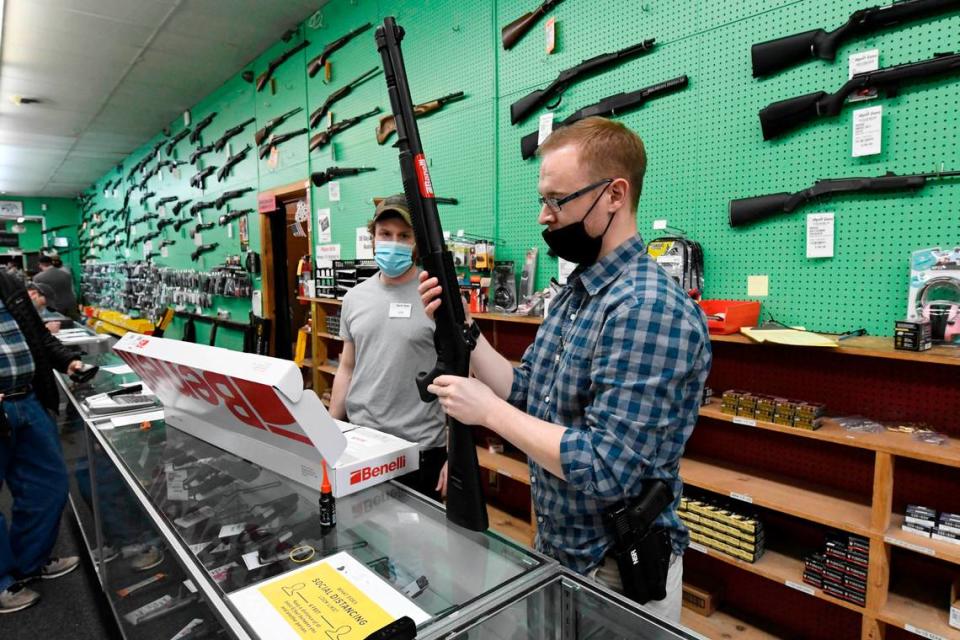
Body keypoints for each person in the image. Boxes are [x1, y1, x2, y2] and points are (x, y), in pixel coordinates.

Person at [418, 117, 711, 622]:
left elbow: (607, 467)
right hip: (560, 551)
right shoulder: (577, 294)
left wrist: (486, 412)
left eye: (557, 200)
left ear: (615, 195)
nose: (544, 217)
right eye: (543, 200)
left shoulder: (647, 307)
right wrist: (466, 331)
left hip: (616, 570)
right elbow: (530, 391)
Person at [329, 195, 447, 501]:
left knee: (419, 543)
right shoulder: (354, 298)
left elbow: (462, 377)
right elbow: (347, 367)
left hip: (420, 449)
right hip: (363, 443)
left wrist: (457, 453)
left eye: (404, 236)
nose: (393, 243)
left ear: (416, 242)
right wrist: (329, 431)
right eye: (385, 234)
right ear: (373, 238)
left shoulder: (436, 296)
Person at [0, 268, 85, 613]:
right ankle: (3, 582)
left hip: (27, 400)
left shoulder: (8, 283)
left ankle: (29, 562)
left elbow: (38, 336)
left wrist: (68, 361)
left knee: (48, 486)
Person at [33, 255, 78, 320]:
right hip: (71, 305)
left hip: (55, 309)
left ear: (41, 264)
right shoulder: (66, 274)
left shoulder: (38, 278)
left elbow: (38, 296)